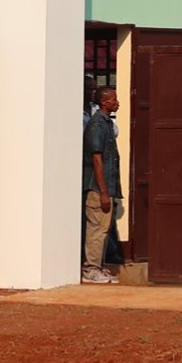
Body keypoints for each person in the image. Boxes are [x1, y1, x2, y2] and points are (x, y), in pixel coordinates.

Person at [82, 87, 123, 283]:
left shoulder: (106, 123)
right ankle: (91, 269)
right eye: (114, 99)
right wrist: (104, 192)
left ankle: (98, 266)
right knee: (97, 228)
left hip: (105, 187)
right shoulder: (97, 124)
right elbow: (97, 159)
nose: (117, 102)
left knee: (103, 228)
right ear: (104, 102)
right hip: (98, 188)